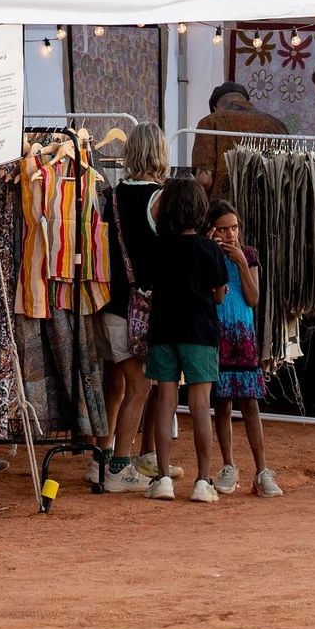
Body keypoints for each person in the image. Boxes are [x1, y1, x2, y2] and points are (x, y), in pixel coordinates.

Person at [139, 176, 226, 502]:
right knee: (201, 405)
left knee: (165, 402)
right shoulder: (209, 250)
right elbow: (218, 296)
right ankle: (203, 481)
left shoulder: (157, 247)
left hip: (163, 330)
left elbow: (147, 286)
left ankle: (163, 478)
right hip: (200, 332)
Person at [92, 119, 167, 494]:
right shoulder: (158, 198)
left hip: (108, 300)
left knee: (116, 383)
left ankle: (101, 458)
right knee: (140, 386)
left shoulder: (112, 195)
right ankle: (120, 466)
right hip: (139, 307)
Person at [205, 199, 279, 498]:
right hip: (219, 334)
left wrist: (240, 262)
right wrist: (214, 256)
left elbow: (253, 297)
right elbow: (218, 298)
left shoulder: (249, 255)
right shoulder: (208, 255)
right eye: (223, 229)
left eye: (234, 227)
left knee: (250, 402)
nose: (230, 234)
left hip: (244, 337)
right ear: (212, 231)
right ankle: (228, 466)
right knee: (222, 403)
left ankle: (262, 471)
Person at [189, 81, 285, 190]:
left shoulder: (209, 123)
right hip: (269, 205)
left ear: (215, 109)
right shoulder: (277, 125)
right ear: (247, 102)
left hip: (223, 204)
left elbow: (204, 179)